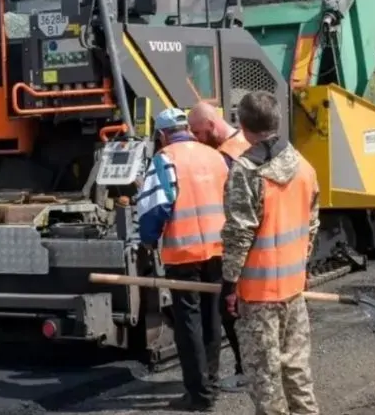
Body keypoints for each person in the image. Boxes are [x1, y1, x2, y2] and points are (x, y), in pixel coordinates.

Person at [218, 91, 321, 415]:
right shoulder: (304, 167)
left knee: (265, 381)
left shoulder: (246, 172)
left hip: (258, 296)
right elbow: (311, 226)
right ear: (276, 121)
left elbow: (238, 232)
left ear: (242, 125)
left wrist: (228, 284)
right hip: (293, 290)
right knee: (298, 375)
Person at [137, 107, 230, 412]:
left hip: (183, 255)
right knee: (212, 319)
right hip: (217, 252)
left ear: (162, 134)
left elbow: (155, 207)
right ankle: (212, 384)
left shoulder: (165, 159)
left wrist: (148, 239)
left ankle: (198, 394)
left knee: (188, 324)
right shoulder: (215, 157)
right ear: (187, 129)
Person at [188, 101, 250, 384]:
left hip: (237, 244)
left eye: (198, 132)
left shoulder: (228, 155)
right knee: (230, 312)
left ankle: (247, 369)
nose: (197, 139)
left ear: (212, 126)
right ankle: (245, 368)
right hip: (230, 243)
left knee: (234, 311)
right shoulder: (243, 144)